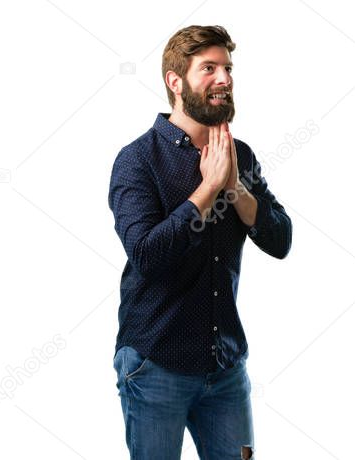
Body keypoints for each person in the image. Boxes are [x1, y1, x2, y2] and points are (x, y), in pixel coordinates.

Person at [108, 25, 292, 459]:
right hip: (154, 363)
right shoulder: (137, 161)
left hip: (225, 366)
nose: (224, 79)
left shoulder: (240, 156)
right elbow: (148, 255)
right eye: (209, 68)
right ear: (176, 82)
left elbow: (281, 239)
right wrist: (207, 191)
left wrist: (236, 189)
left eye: (227, 68)